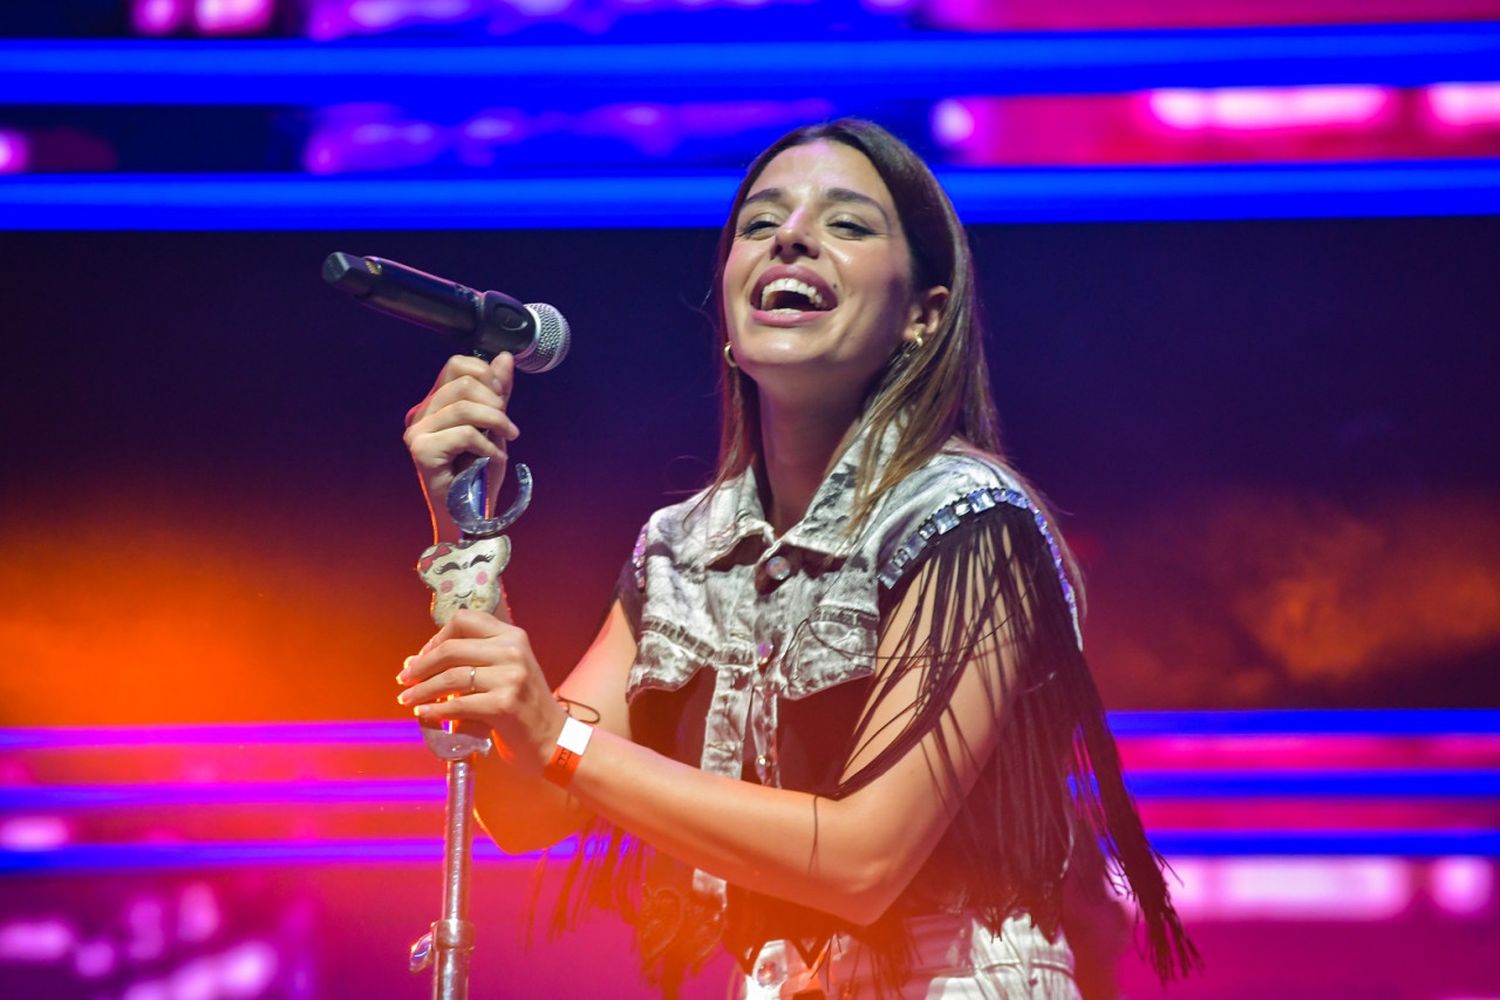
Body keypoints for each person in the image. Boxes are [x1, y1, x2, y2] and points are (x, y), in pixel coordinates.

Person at [397, 119, 1196, 998]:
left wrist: (555, 732)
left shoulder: (972, 521)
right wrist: (458, 528)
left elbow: (865, 859)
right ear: (733, 315)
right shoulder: (680, 547)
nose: (792, 237)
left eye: (847, 224)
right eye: (758, 223)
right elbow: (529, 810)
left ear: (923, 319)